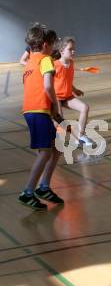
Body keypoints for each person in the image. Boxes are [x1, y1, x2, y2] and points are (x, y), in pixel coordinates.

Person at [19, 23, 64, 210]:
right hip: (39, 111)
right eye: (53, 44)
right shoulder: (46, 60)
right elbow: (47, 86)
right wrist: (55, 106)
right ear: (45, 44)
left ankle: (44, 187)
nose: (54, 48)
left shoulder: (29, 62)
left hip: (32, 111)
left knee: (56, 149)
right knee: (45, 152)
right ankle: (28, 192)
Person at [54, 37, 92, 145]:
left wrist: (75, 90)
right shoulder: (55, 65)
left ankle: (80, 136)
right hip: (56, 97)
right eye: (70, 49)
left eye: (74, 49)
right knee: (59, 120)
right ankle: (52, 139)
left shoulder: (71, 63)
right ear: (61, 51)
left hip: (67, 96)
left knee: (85, 107)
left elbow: (67, 81)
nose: (73, 51)